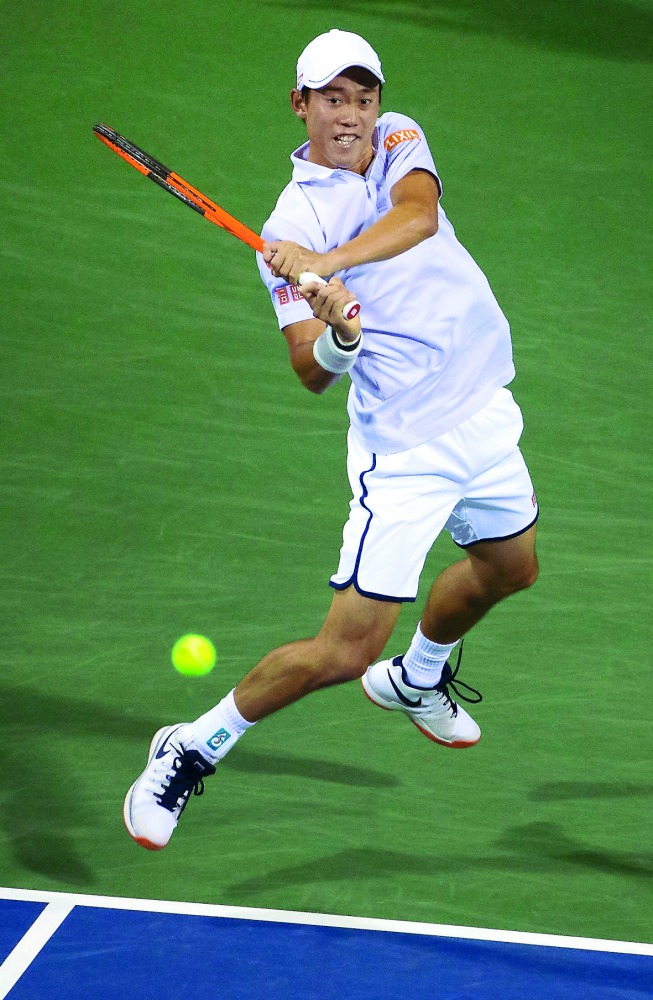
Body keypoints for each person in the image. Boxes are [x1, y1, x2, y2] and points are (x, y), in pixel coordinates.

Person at [124, 29, 539, 851]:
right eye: (332, 98)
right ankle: (193, 744)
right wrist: (341, 334)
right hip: (408, 449)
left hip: (482, 408)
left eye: (362, 97)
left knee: (509, 568)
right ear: (300, 105)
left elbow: (418, 217)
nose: (351, 115)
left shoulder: (397, 141)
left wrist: (330, 261)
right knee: (345, 651)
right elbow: (309, 371)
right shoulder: (287, 225)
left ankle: (415, 678)